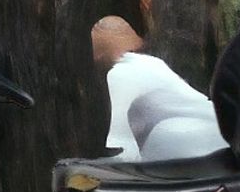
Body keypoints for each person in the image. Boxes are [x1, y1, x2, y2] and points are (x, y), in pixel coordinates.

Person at [90, 16, 226, 162]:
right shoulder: (153, 64)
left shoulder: (121, 73)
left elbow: (121, 149)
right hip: (222, 148)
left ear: (98, 55)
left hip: (202, 160)